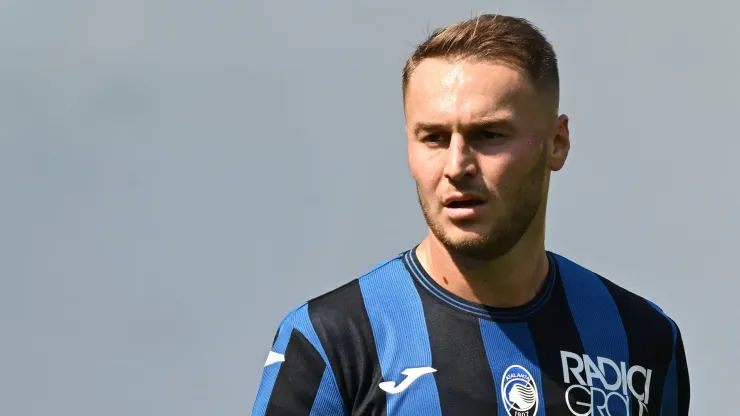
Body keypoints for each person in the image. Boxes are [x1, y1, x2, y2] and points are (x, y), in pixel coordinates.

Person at [251, 14, 690, 416]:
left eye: (489, 134)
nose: (456, 165)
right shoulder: (329, 343)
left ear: (557, 143)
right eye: (434, 137)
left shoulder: (642, 340)